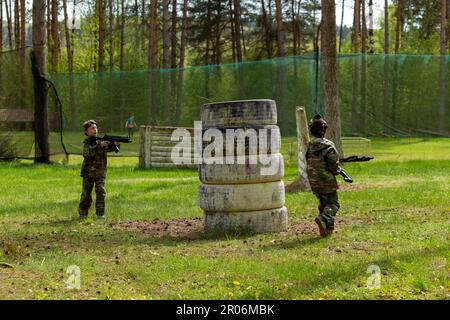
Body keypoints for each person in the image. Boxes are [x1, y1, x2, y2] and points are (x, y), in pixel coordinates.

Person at [306, 114, 341, 237]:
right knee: (333, 204)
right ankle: (324, 218)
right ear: (324, 130)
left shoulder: (310, 146)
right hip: (327, 182)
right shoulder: (328, 145)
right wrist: (337, 170)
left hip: (314, 183)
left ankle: (327, 230)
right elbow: (333, 166)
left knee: (324, 205)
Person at [78, 120, 119, 219]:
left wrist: (115, 144)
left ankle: (100, 214)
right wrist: (99, 146)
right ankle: (83, 214)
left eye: (96, 128)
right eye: (92, 128)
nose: (95, 130)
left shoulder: (101, 141)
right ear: (86, 131)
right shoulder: (87, 142)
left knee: (101, 192)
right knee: (86, 195)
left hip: (101, 172)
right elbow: (87, 153)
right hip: (88, 173)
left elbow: (112, 149)